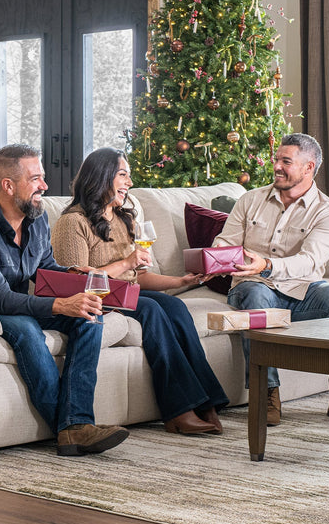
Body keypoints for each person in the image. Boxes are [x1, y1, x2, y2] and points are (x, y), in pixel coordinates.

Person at [0, 144, 129, 456]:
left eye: (42, 177)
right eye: (35, 179)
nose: (44, 186)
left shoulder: (37, 219)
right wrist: (59, 305)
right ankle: (71, 427)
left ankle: (75, 425)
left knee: (90, 314)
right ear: (8, 185)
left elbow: (44, 271)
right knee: (28, 330)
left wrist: (73, 275)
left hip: (13, 303)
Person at [52, 147, 229, 435]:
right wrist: (125, 262)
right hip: (94, 297)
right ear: (101, 177)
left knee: (176, 307)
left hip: (125, 293)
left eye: (129, 176)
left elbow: (139, 279)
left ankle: (207, 401)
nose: (129, 183)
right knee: (152, 309)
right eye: (123, 175)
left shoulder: (123, 219)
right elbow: (75, 282)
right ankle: (178, 410)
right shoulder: (72, 222)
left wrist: (182, 282)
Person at [212, 133, 329, 426]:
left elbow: (310, 261)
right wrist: (219, 257)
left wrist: (266, 265)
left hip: (302, 289)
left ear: (308, 167)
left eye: (286, 161)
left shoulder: (328, 213)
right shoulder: (250, 200)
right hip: (252, 286)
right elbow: (224, 242)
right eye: (276, 160)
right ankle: (267, 394)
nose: (277, 167)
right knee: (257, 297)